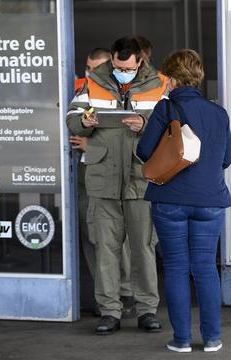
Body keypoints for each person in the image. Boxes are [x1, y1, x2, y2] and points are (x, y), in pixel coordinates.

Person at [66, 36, 167, 335]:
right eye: (119, 66)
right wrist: (86, 121)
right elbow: (72, 118)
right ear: (112, 58)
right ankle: (110, 311)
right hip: (104, 179)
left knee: (143, 248)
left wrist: (145, 123)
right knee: (106, 249)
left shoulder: (159, 84)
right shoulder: (92, 81)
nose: (124, 71)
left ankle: (147, 310)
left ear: (140, 61)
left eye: (129, 67)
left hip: (140, 179)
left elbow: (173, 123)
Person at [136, 49, 231, 353]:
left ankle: (181, 340)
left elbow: (144, 151)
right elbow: (227, 158)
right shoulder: (218, 113)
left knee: (177, 267)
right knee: (205, 267)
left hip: (171, 200)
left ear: (173, 78)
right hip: (210, 201)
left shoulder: (166, 109)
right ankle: (213, 338)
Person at [71, 47, 136, 317]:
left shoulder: (122, 94)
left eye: (95, 68)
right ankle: (105, 295)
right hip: (86, 176)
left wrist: (91, 146)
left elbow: (125, 137)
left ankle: (126, 292)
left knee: (118, 239)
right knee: (91, 237)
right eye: (87, 68)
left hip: (113, 177)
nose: (89, 73)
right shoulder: (82, 92)